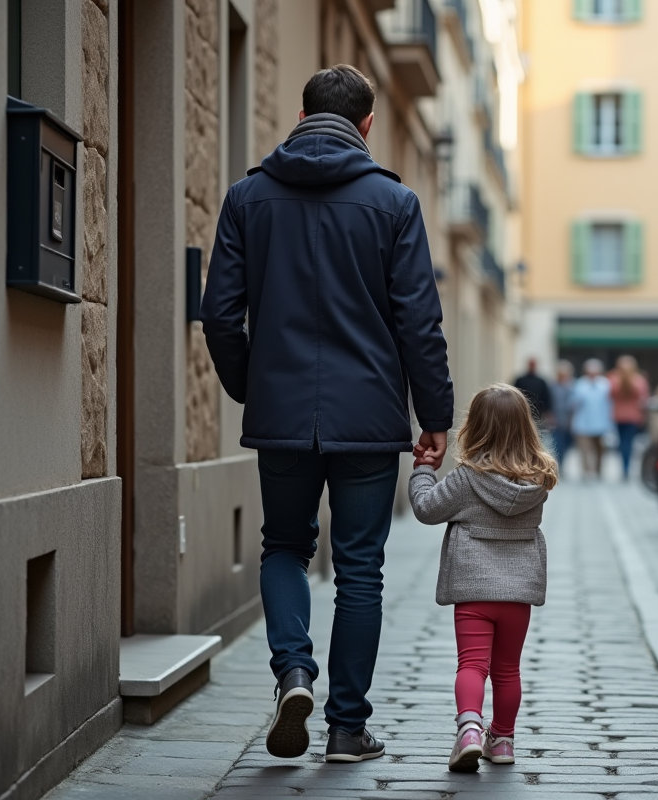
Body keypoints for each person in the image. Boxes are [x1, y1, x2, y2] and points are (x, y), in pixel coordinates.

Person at [200, 65, 453, 764]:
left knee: (283, 545)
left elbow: (219, 314)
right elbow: (419, 323)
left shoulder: (248, 198)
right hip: (369, 415)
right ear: (367, 123)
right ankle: (346, 729)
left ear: (302, 114)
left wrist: (253, 384)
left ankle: (293, 671)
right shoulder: (393, 204)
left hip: (281, 408)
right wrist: (435, 415)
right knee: (360, 568)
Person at [407, 384, 557, 773]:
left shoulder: (468, 479)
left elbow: (426, 509)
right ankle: (503, 740)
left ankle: (469, 730)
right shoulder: (539, 480)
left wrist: (423, 470)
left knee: (472, 665)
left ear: (475, 428)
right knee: (508, 669)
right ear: (526, 428)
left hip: (474, 590)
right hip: (518, 592)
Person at [570, 359, 613, 479]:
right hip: (583, 424)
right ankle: (586, 471)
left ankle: (598, 471)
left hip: (601, 423)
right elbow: (574, 403)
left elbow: (609, 405)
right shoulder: (580, 384)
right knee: (584, 450)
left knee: (600, 450)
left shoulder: (605, 384)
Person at [609, 355, 650, 479]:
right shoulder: (639, 380)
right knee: (628, 443)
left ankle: (625, 466)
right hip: (632, 417)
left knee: (622, 443)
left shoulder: (613, 379)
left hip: (619, 416)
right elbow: (644, 400)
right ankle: (626, 467)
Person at [549, 360, 575, 474]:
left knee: (567, 444)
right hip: (556, 420)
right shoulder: (552, 386)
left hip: (570, 420)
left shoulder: (572, 386)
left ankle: (562, 462)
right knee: (557, 444)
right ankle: (559, 464)